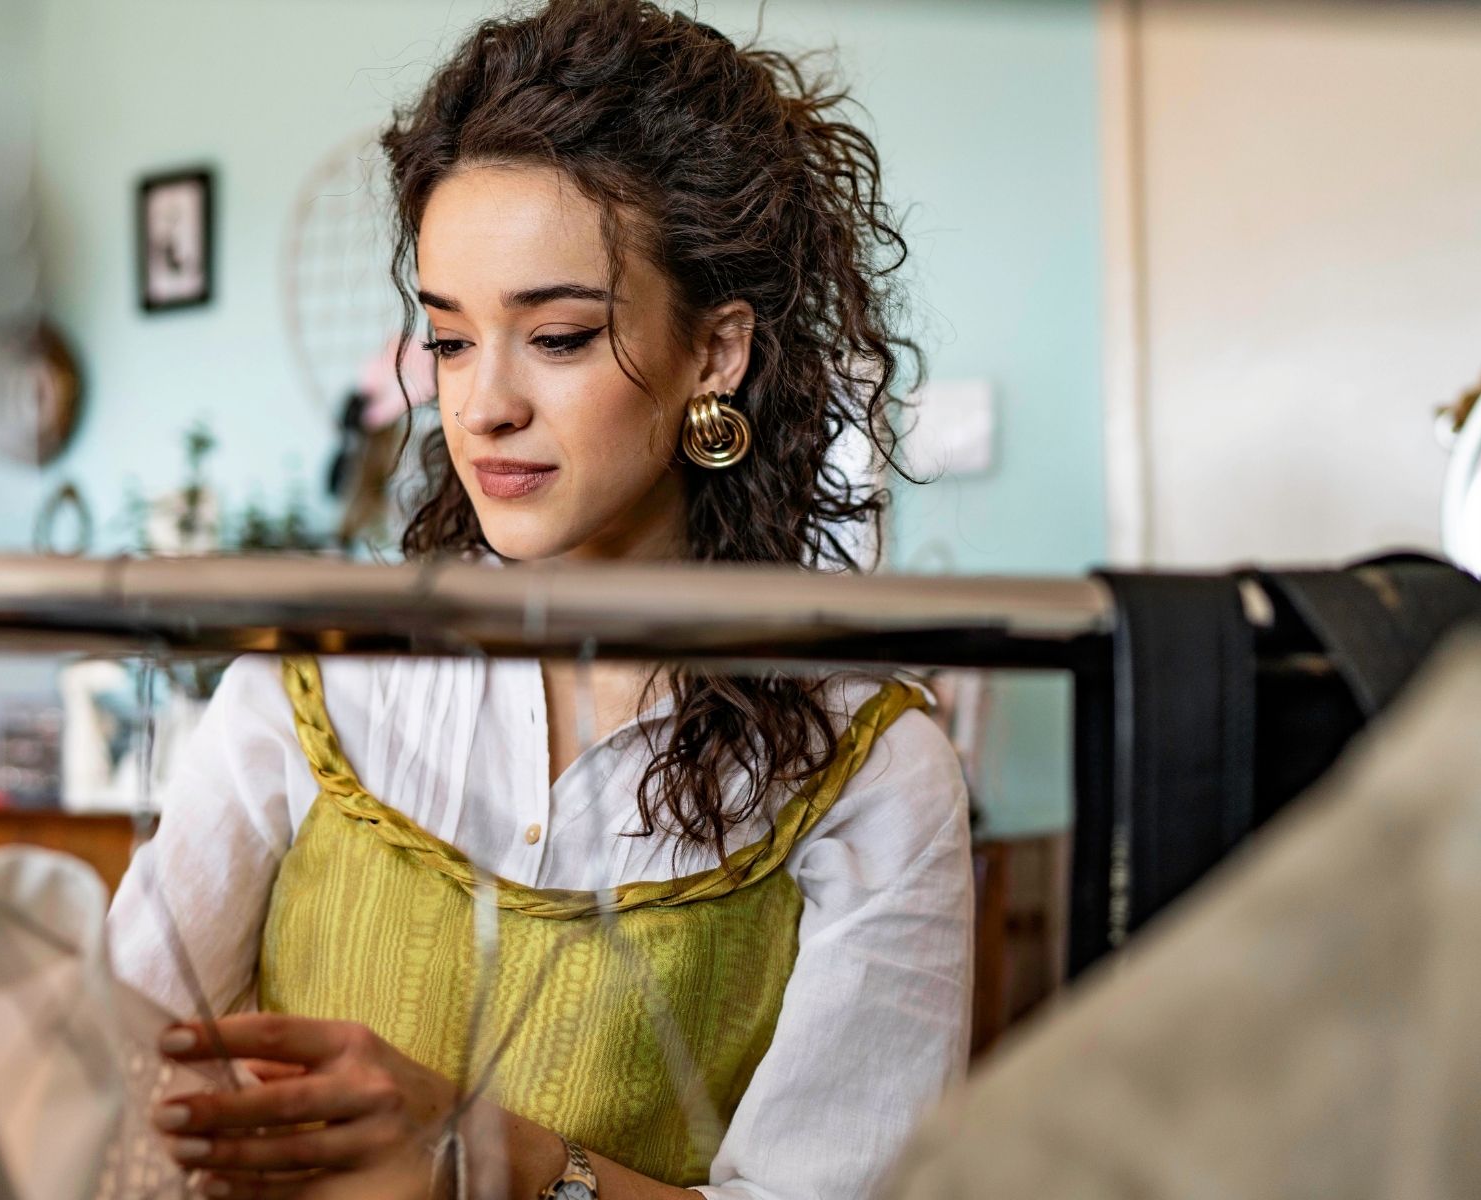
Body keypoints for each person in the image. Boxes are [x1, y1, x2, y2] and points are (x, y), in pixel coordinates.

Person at [108, 2, 973, 1196]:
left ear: (715, 353)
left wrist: (509, 1160)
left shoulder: (868, 770)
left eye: (558, 336)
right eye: (451, 342)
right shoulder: (314, 685)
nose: (483, 407)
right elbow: (115, 1079)